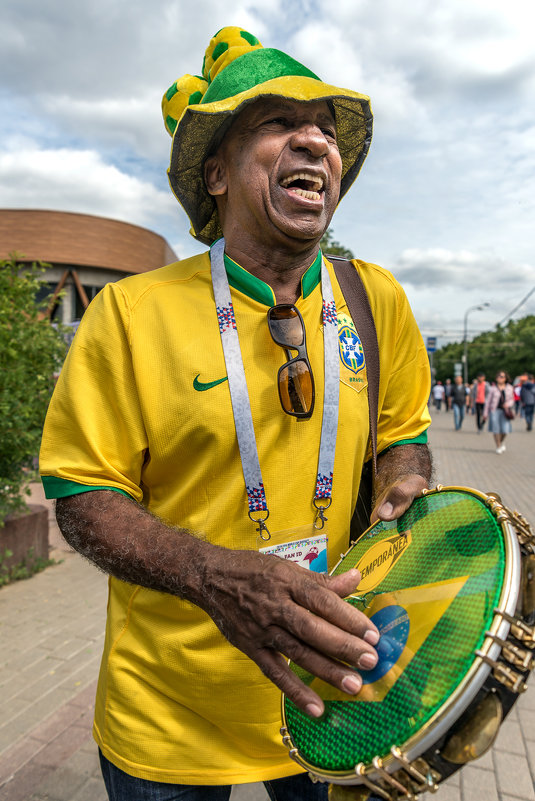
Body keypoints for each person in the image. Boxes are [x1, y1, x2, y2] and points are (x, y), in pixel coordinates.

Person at [39, 27, 432, 801]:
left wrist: (403, 481)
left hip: (335, 692)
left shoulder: (374, 297)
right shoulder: (128, 312)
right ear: (215, 174)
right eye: (279, 122)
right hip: (169, 717)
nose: (314, 139)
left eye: (323, 126)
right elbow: (82, 498)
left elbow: (405, 436)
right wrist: (215, 576)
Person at [484, 370, 515, 453]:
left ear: (505, 378)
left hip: (505, 411)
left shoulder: (509, 387)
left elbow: (512, 399)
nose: (500, 378)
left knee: (505, 429)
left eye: (502, 377)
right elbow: (488, 401)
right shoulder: (492, 388)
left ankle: (501, 442)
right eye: (498, 376)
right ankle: (498, 446)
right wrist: (485, 413)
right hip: (494, 411)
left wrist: (508, 404)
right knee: (496, 429)